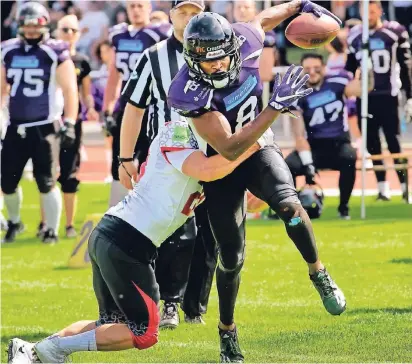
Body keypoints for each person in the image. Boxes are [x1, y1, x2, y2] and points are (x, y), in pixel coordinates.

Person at [7, 119, 272, 364]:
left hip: (116, 235)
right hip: (126, 239)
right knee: (145, 332)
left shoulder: (208, 146)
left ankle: (31, 351)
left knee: (110, 323)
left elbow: (240, 193)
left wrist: (256, 183)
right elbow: (207, 169)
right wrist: (254, 144)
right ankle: (53, 350)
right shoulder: (179, 130)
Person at [168, 3, 346, 362]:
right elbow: (231, 148)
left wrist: (301, 5)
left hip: (260, 149)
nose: (217, 66)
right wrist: (275, 108)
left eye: (221, 58)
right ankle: (227, 331)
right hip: (222, 166)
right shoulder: (186, 91)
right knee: (231, 258)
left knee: (289, 204)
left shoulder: (246, 38)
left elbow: (264, 19)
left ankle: (318, 272)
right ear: (192, 60)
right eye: (207, 61)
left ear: (234, 48)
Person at [120, 0, 214, 329]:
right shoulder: (154, 56)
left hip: (212, 152)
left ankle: (195, 307)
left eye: (194, 13)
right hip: (168, 157)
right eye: (182, 12)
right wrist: (125, 156)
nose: (188, 19)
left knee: (210, 234)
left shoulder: (220, 51)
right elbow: (133, 106)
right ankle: (169, 301)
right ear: (171, 14)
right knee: (173, 231)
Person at [1, 1, 78, 244]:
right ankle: (14, 222)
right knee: (7, 181)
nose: (32, 30)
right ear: (20, 26)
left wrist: (71, 122)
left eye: (37, 25)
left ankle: (51, 230)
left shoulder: (55, 51)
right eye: (27, 25)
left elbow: (69, 90)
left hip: (45, 126)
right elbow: (2, 89)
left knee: (46, 181)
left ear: (45, 25)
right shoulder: (8, 50)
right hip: (16, 125)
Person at [285, 53, 374, 219]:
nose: (312, 72)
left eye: (316, 68)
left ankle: (343, 207)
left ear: (324, 68)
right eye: (307, 69)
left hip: (339, 143)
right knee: (288, 166)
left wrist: (367, 66)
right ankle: (291, 210)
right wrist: (308, 164)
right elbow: (298, 135)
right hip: (314, 146)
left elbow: (364, 87)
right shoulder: (297, 92)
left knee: (349, 157)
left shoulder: (337, 82)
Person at [102, 0, 172, 207]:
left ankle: (150, 207)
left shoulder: (159, 33)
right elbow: (114, 72)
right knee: (120, 158)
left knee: (152, 160)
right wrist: (107, 106)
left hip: (153, 105)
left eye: (140, 5)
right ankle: (116, 210)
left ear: (149, 9)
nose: (136, 10)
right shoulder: (118, 34)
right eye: (132, 6)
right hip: (128, 105)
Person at [345, 0, 412, 201]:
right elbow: (349, 68)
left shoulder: (395, 32)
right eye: (366, 12)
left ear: (380, 11)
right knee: (372, 144)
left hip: (388, 95)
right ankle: (382, 189)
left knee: (394, 143)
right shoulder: (356, 35)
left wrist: (409, 96)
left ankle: (404, 188)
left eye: (373, 12)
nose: (369, 17)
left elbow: (406, 64)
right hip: (365, 97)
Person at [39, 14, 98, 239]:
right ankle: (46, 223)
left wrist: (91, 108)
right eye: (65, 29)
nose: (69, 34)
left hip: (73, 122)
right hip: (48, 121)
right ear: (56, 31)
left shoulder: (82, 60)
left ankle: (69, 224)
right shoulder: (46, 57)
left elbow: (86, 92)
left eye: (74, 30)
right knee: (46, 172)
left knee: (70, 173)